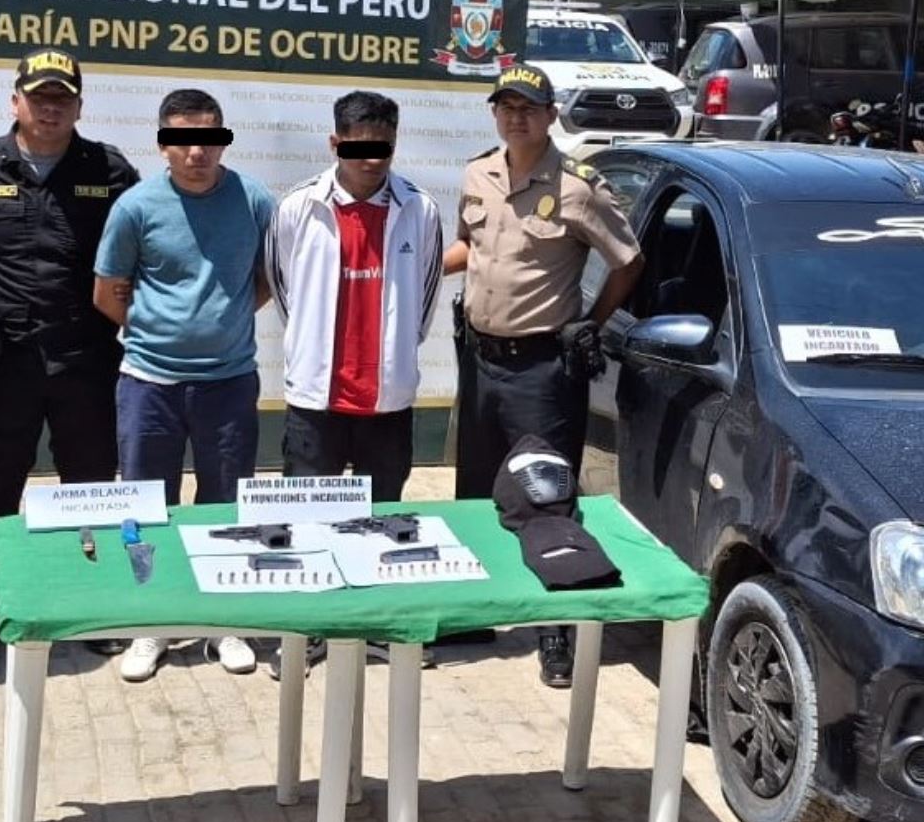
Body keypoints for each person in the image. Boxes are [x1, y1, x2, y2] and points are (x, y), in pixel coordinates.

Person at [442, 64, 643, 687]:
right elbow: (468, 248)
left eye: (528, 108)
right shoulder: (478, 173)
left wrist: (593, 321)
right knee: (474, 491)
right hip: (479, 361)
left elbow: (629, 260)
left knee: (546, 497)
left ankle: (554, 632)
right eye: (505, 107)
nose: (515, 117)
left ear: (551, 115)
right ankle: (469, 614)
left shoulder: (579, 188)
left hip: (542, 368)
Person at [0, 49, 139, 667]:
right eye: (39, 96)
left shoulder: (108, 171)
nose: (50, 107)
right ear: (15, 101)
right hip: (5, 366)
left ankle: (91, 606)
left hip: (86, 360)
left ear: (80, 106)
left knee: (91, 488)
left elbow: (143, 255)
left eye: (63, 98)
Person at [93, 89, 275, 682]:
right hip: (150, 383)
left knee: (224, 504)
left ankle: (220, 620)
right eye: (181, 139)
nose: (196, 151)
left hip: (228, 381)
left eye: (208, 138)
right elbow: (108, 292)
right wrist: (156, 334)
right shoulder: (135, 207)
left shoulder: (253, 200)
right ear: (163, 144)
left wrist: (223, 324)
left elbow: (267, 279)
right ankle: (152, 621)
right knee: (148, 506)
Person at [264, 90, 443, 676]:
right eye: (360, 146)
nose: (372, 158)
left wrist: (390, 361)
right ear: (335, 143)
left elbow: (423, 301)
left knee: (382, 516)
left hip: (386, 401)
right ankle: (310, 631)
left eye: (383, 146)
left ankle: (374, 625)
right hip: (318, 399)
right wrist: (317, 352)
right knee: (309, 521)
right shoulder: (297, 207)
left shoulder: (421, 209)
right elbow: (285, 288)